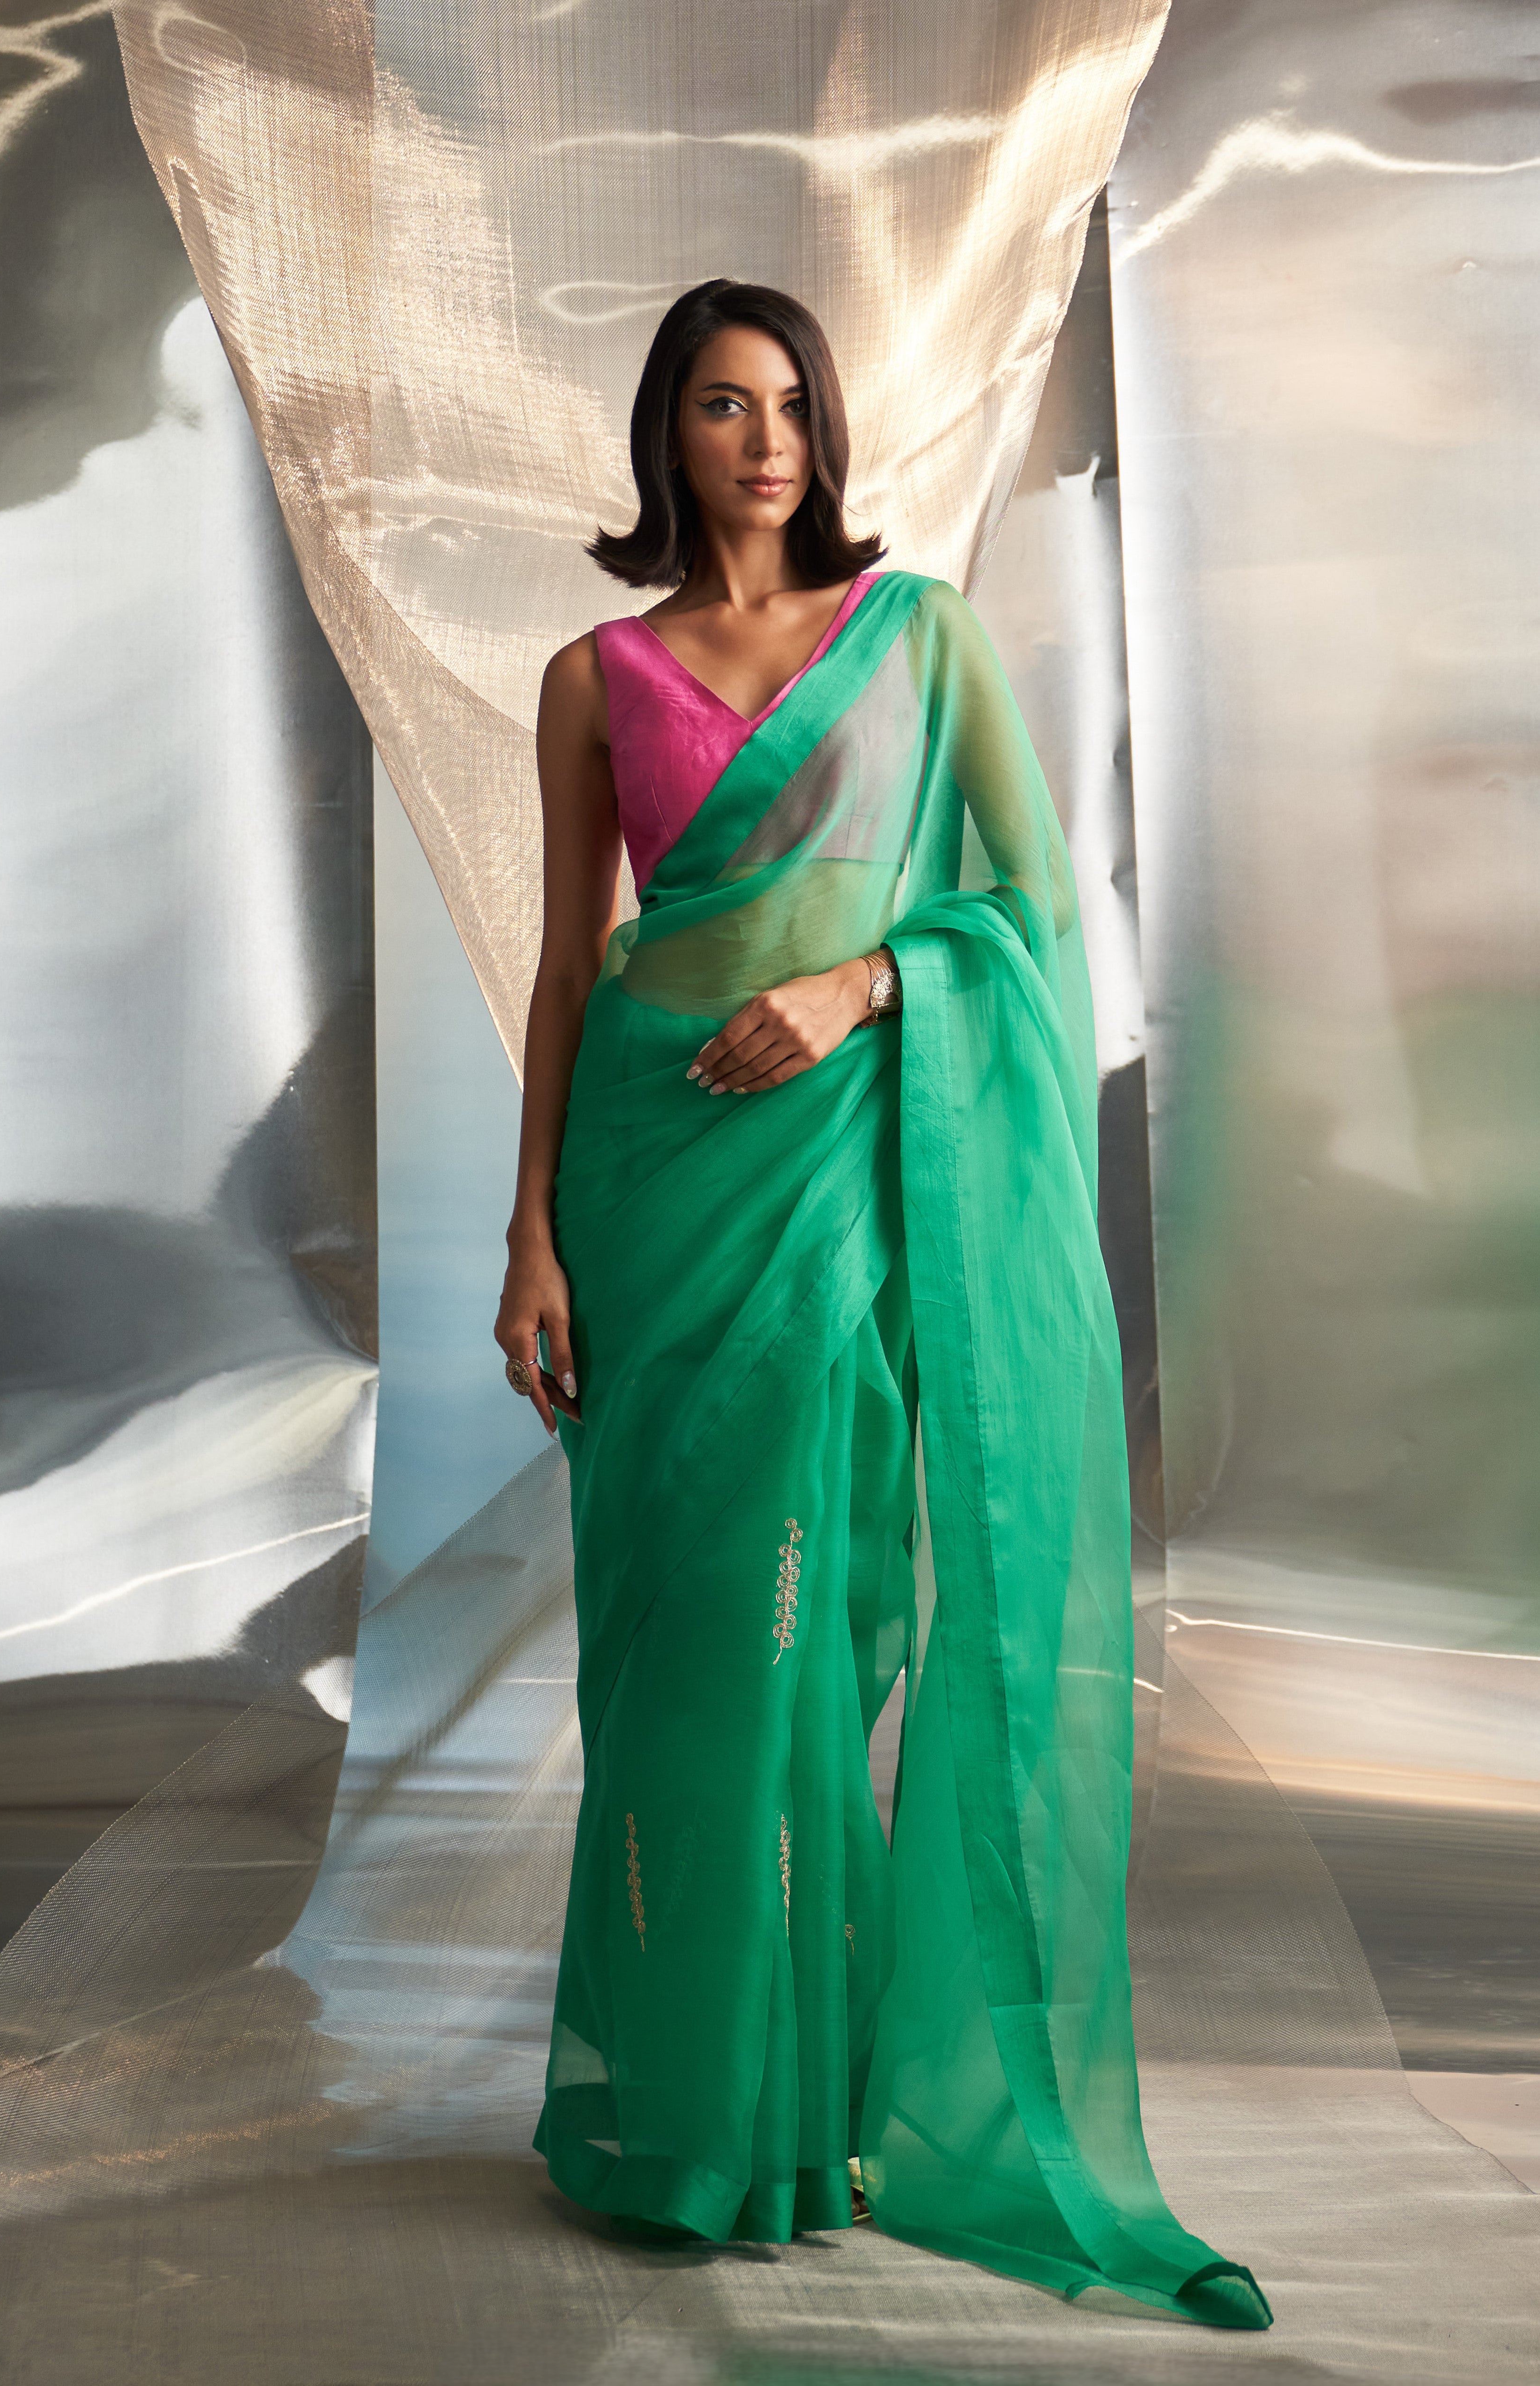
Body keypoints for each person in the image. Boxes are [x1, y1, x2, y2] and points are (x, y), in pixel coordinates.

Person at [494, 278, 1270, 2329]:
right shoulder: (593, 676)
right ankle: (679, 2106)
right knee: (669, 1643)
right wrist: (531, 1235)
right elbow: (567, 969)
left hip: (833, 1175)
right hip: (645, 1192)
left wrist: (861, 983)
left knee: (797, 1624)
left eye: (789, 405)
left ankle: (799, 2107)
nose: (763, 441)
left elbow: (1029, 903)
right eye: (720, 405)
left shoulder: (916, 637)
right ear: (665, 434)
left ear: (824, 433)